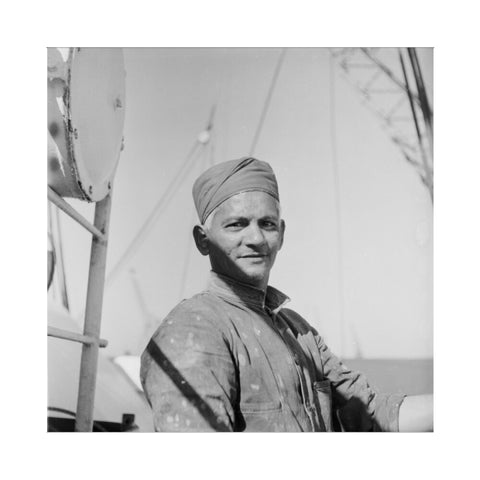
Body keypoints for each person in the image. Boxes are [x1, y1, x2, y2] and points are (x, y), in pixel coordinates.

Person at [140, 156, 433, 432]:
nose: (255, 239)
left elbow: (370, 413)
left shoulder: (298, 332)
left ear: (281, 234)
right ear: (203, 241)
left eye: (266, 224)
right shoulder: (196, 328)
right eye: (236, 224)